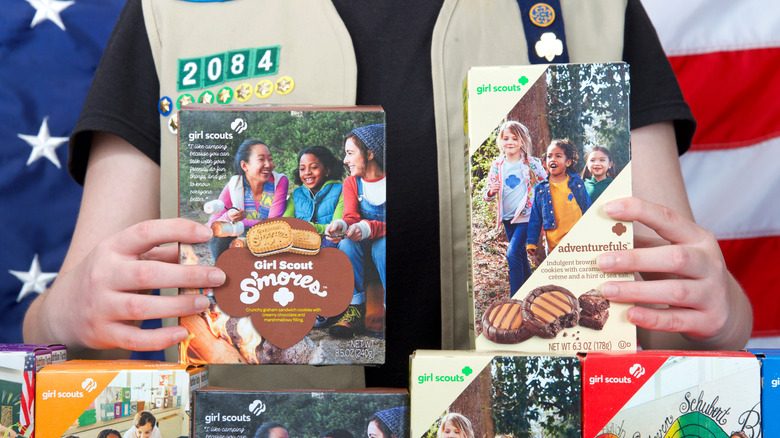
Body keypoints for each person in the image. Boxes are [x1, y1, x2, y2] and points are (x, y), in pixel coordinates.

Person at [21, 0, 752, 389]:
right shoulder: (173, 10)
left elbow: (676, 319)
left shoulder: (597, 8)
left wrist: (714, 312)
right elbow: (53, 325)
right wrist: (77, 304)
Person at [325, 124, 386, 338]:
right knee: (346, 243)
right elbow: (352, 217)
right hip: (362, 245)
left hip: (385, 246)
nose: (345, 160)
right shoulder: (352, 183)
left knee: (383, 246)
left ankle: (386, 310)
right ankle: (355, 309)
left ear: (370, 153)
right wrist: (341, 225)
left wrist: (370, 228)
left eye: (350, 153)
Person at [482, 120, 547, 293]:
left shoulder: (531, 163)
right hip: (508, 218)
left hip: (527, 217)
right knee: (518, 254)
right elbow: (487, 192)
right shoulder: (498, 165)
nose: (510, 142)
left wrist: (539, 204)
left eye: (514, 138)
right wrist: (490, 192)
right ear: (501, 142)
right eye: (506, 138)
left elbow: (546, 184)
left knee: (512, 254)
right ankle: (531, 291)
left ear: (522, 142)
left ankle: (516, 298)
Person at [206, 139, 289, 260]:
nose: (268, 164)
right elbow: (211, 226)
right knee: (219, 236)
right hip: (241, 238)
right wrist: (229, 216)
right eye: (261, 159)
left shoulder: (279, 181)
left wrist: (241, 221)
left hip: (269, 237)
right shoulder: (234, 185)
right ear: (244, 166)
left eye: (270, 159)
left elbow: (274, 223)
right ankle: (222, 269)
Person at [526, 139, 591, 258]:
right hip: (553, 246)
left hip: (578, 243)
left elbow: (587, 208)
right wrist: (531, 242)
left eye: (558, 156)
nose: (553, 159)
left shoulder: (577, 183)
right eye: (549, 156)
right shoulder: (540, 189)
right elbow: (535, 217)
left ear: (568, 162)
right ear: (545, 163)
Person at [282, 145, 346, 245]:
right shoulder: (296, 194)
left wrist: (302, 227)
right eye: (302, 169)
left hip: (330, 243)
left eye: (314, 167)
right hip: (299, 244)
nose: (307, 172)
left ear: (327, 170)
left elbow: (335, 228)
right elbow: (285, 223)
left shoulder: (342, 190)